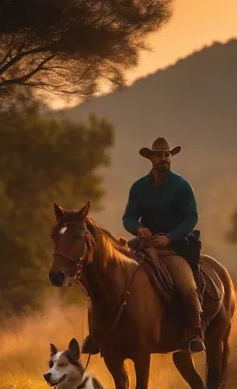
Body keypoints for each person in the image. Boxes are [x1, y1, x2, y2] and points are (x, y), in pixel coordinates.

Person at [81, 136, 205, 355]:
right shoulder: (138, 188)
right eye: (159, 155)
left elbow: (191, 217)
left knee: (187, 287)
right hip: (144, 245)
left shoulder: (182, 186)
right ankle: (97, 333)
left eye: (167, 155)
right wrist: (138, 229)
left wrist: (170, 237)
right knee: (109, 276)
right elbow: (128, 218)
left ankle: (195, 334)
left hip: (173, 248)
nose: (164, 159)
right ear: (151, 158)